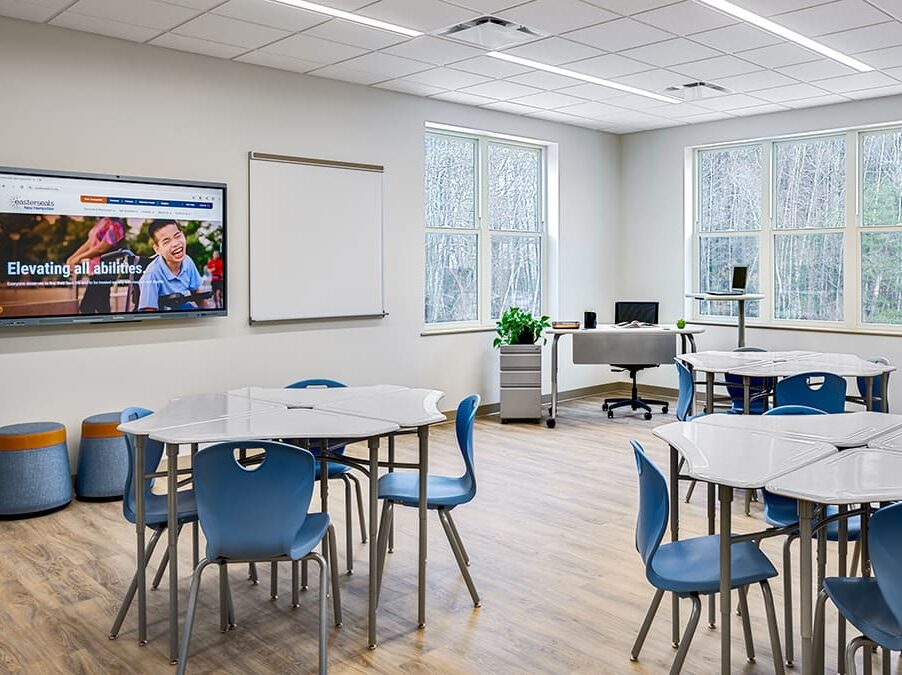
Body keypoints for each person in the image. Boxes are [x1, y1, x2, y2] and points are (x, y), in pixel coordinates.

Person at [138, 220, 207, 311]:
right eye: (166, 242)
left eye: (178, 236)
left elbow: (197, 294)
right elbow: (149, 311)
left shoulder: (187, 261)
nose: (175, 244)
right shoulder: (152, 273)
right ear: (157, 249)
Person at [65, 216, 126, 314]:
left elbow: (101, 248)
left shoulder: (117, 225)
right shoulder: (102, 222)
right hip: (95, 270)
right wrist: (72, 257)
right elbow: (89, 243)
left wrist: (79, 258)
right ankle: (108, 326)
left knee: (87, 306)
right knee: (102, 306)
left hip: (105, 271)